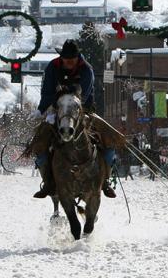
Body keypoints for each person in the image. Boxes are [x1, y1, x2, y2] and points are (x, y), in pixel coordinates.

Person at [27, 39, 125, 199]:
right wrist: (41, 110)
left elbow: (84, 95)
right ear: (62, 58)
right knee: (39, 143)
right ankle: (47, 182)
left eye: (72, 60)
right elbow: (47, 92)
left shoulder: (86, 69)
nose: (69, 63)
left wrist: (75, 109)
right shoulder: (52, 67)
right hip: (57, 110)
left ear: (77, 58)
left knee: (109, 139)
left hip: (83, 109)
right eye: (66, 60)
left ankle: (104, 181)